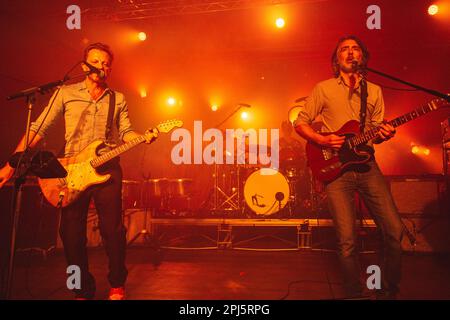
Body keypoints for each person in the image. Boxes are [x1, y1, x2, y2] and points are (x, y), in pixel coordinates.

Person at [0, 43, 153, 300]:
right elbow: (39, 128)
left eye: (105, 63)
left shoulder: (118, 98)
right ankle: (81, 288)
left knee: (112, 231)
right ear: (84, 66)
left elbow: (126, 131)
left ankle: (117, 283)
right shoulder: (65, 93)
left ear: (109, 69)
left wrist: (141, 136)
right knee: (70, 235)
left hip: (106, 168)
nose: (101, 66)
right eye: (95, 61)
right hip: (71, 170)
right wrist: (11, 164)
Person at [294, 35, 404, 299]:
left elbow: (374, 130)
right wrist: (320, 138)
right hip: (336, 169)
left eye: (355, 49)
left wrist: (384, 133)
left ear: (362, 57)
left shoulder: (374, 90)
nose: (350, 52)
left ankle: (388, 291)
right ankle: (353, 295)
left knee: (394, 230)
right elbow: (300, 121)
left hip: (367, 166)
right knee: (346, 241)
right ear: (337, 59)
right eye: (344, 49)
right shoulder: (323, 88)